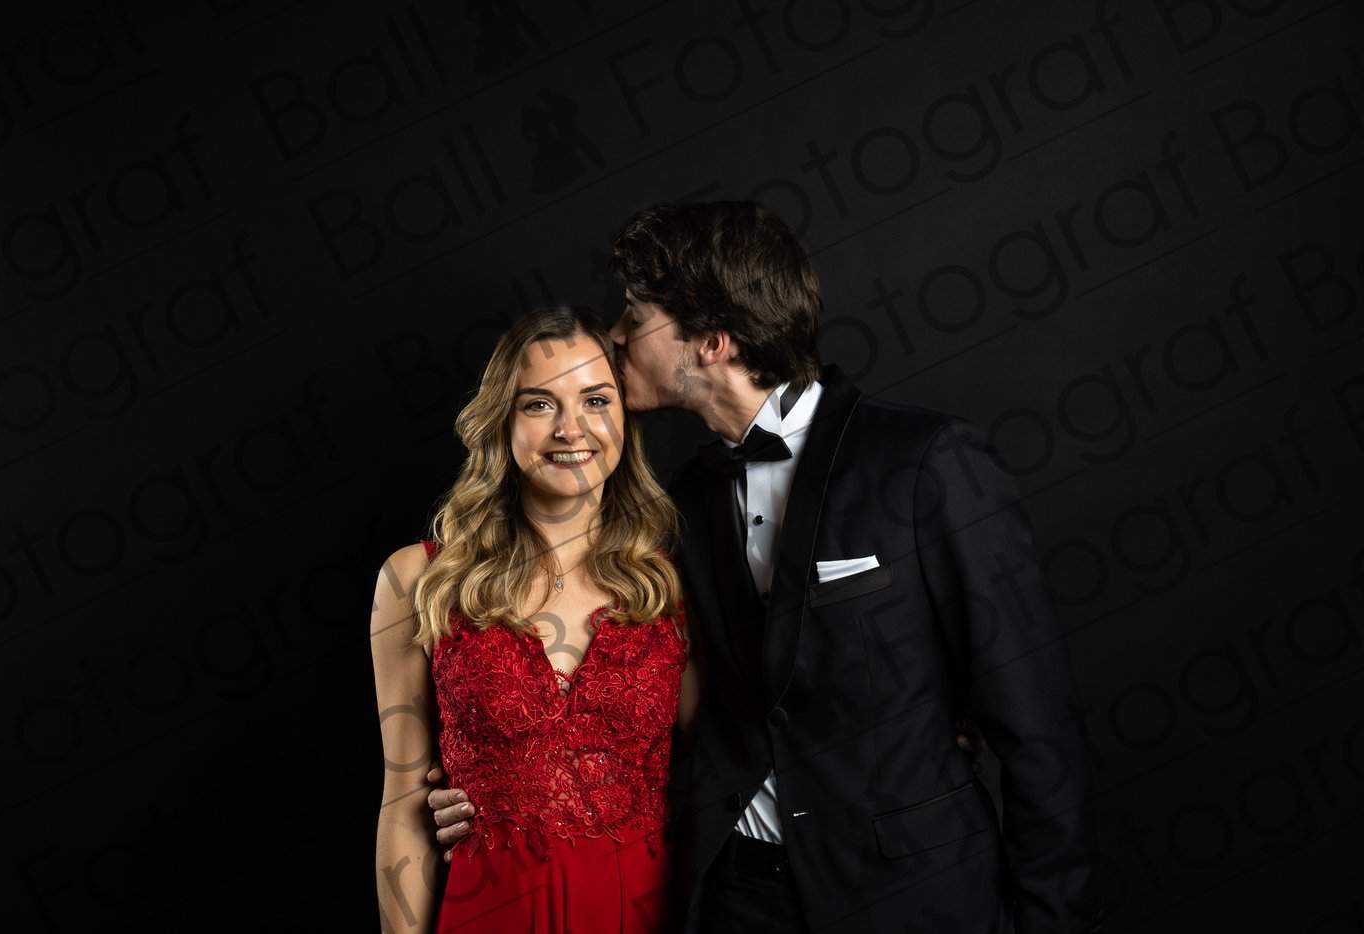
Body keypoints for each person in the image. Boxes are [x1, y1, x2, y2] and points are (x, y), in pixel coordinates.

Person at [429, 201, 1103, 933]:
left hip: (907, 896)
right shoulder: (678, 505)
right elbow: (660, 704)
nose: (616, 334)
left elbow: (1037, 722)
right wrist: (489, 781)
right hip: (735, 898)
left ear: (712, 341)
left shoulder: (923, 463)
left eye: (635, 314)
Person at [370, 305, 699, 933]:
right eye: (540, 404)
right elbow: (403, 804)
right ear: (503, 420)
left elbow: (731, 758)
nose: (572, 429)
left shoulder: (673, 584)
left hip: (640, 911)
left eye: (596, 401)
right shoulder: (418, 577)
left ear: (624, 417)